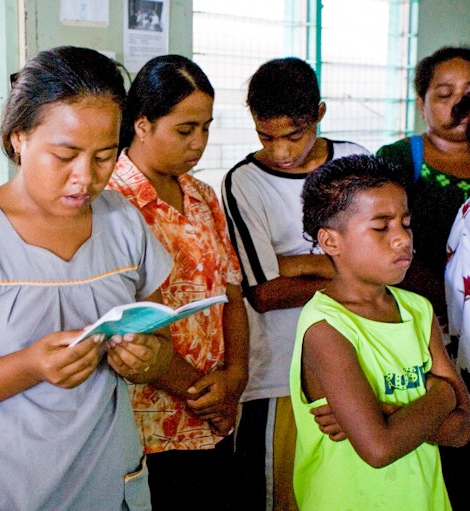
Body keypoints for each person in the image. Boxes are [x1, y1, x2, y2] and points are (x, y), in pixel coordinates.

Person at [0, 46, 185, 511]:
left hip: (109, 485)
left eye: (105, 156)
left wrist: (145, 360)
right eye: (64, 155)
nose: (85, 178)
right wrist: (28, 366)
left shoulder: (123, 221)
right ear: (18, 138)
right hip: (0, 492)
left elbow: (160, 345)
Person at [220, 57, 369, 510]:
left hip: (359, 365)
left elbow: (384, 264)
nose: (281, 151)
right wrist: (345, 265)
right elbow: (264, 294)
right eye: (267, 136)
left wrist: (293, 263)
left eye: (294, 135)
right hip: (279, 374)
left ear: (319, 114)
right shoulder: (244, 181)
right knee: (278, 497)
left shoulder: (355, 162)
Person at [107, 54, 248, 510]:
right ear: (143, 124)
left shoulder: (202, 196)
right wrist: (202, 392)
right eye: (185, 130)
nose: (199, 143)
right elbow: (124, 323)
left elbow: (231, 294)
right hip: (150, 422)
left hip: (216, 415)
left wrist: (234, 380)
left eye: (205, 128)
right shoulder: (111, 199)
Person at [291, 154, 470, 510]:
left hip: (423, 500)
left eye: (406, 223)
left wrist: (390, 416)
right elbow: (378, 448)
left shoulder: (418, 310)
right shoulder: (327, 327)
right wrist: (444, 396)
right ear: (331, 241)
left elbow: (463, 431)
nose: (402, 239)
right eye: (381, 227)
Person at [376, 47, 470, 508]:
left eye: (469, 95)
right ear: (422, 102)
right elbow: (382, 243)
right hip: (423, 327)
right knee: (441, 434)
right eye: (444, 94)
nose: (457, 106)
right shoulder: (398, 159)